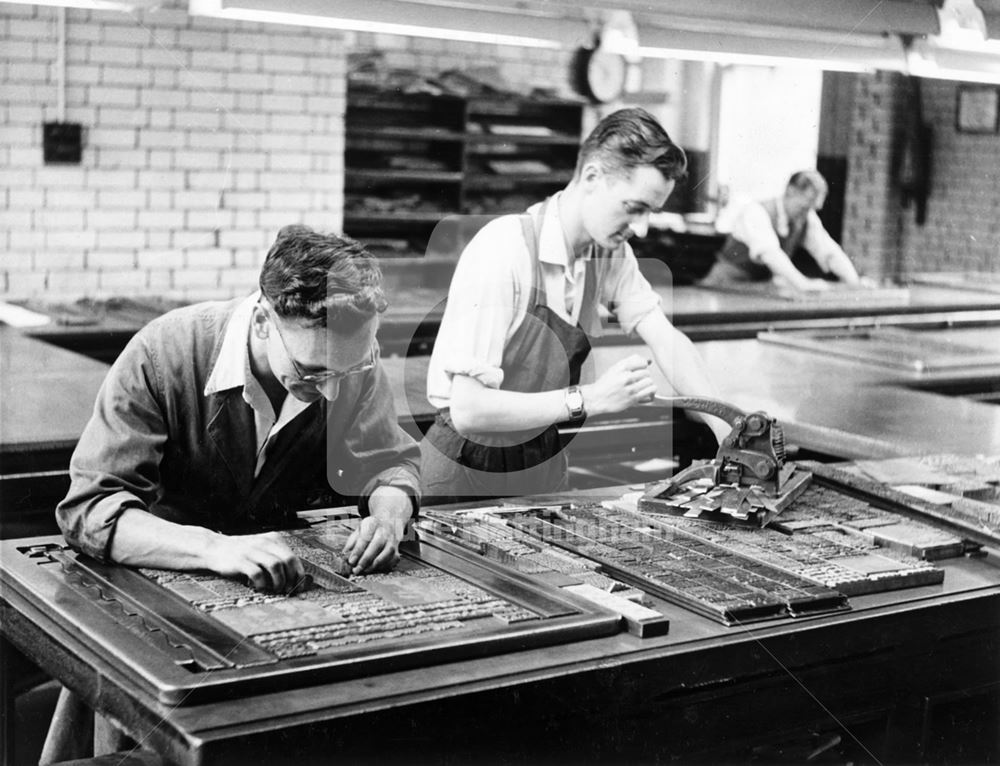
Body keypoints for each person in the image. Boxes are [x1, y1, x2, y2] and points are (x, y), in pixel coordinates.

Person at [57, 225, 420, 590]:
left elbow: (389, 463)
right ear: (263, 321)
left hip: (283, 574)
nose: (331, 391)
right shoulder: (161, 353)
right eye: (310, 373)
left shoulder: (349, 360)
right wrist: (214, 549)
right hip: (167, 571)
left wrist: (388, 518)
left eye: (349, 370)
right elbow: (92, 509)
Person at [421, 107, 730, 504]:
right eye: (634, 208)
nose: (641, 229)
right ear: (591, 178)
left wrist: (727, 428)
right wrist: (590, 399)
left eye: (650, 213)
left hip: (539, 462)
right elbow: (469, 409)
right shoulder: (504, 250)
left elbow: (667, 340)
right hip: (464, 471)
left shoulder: (606, 255)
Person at [701, 170, 862, 291]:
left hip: (754, 289)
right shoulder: (756, 212)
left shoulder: (806, 217)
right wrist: (803, 283)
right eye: (805, 206)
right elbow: (770, 254)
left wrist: (855, 283)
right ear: (790, 191)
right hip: (723, 286)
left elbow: (829, 252)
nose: (807, 213)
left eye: (812, 208)